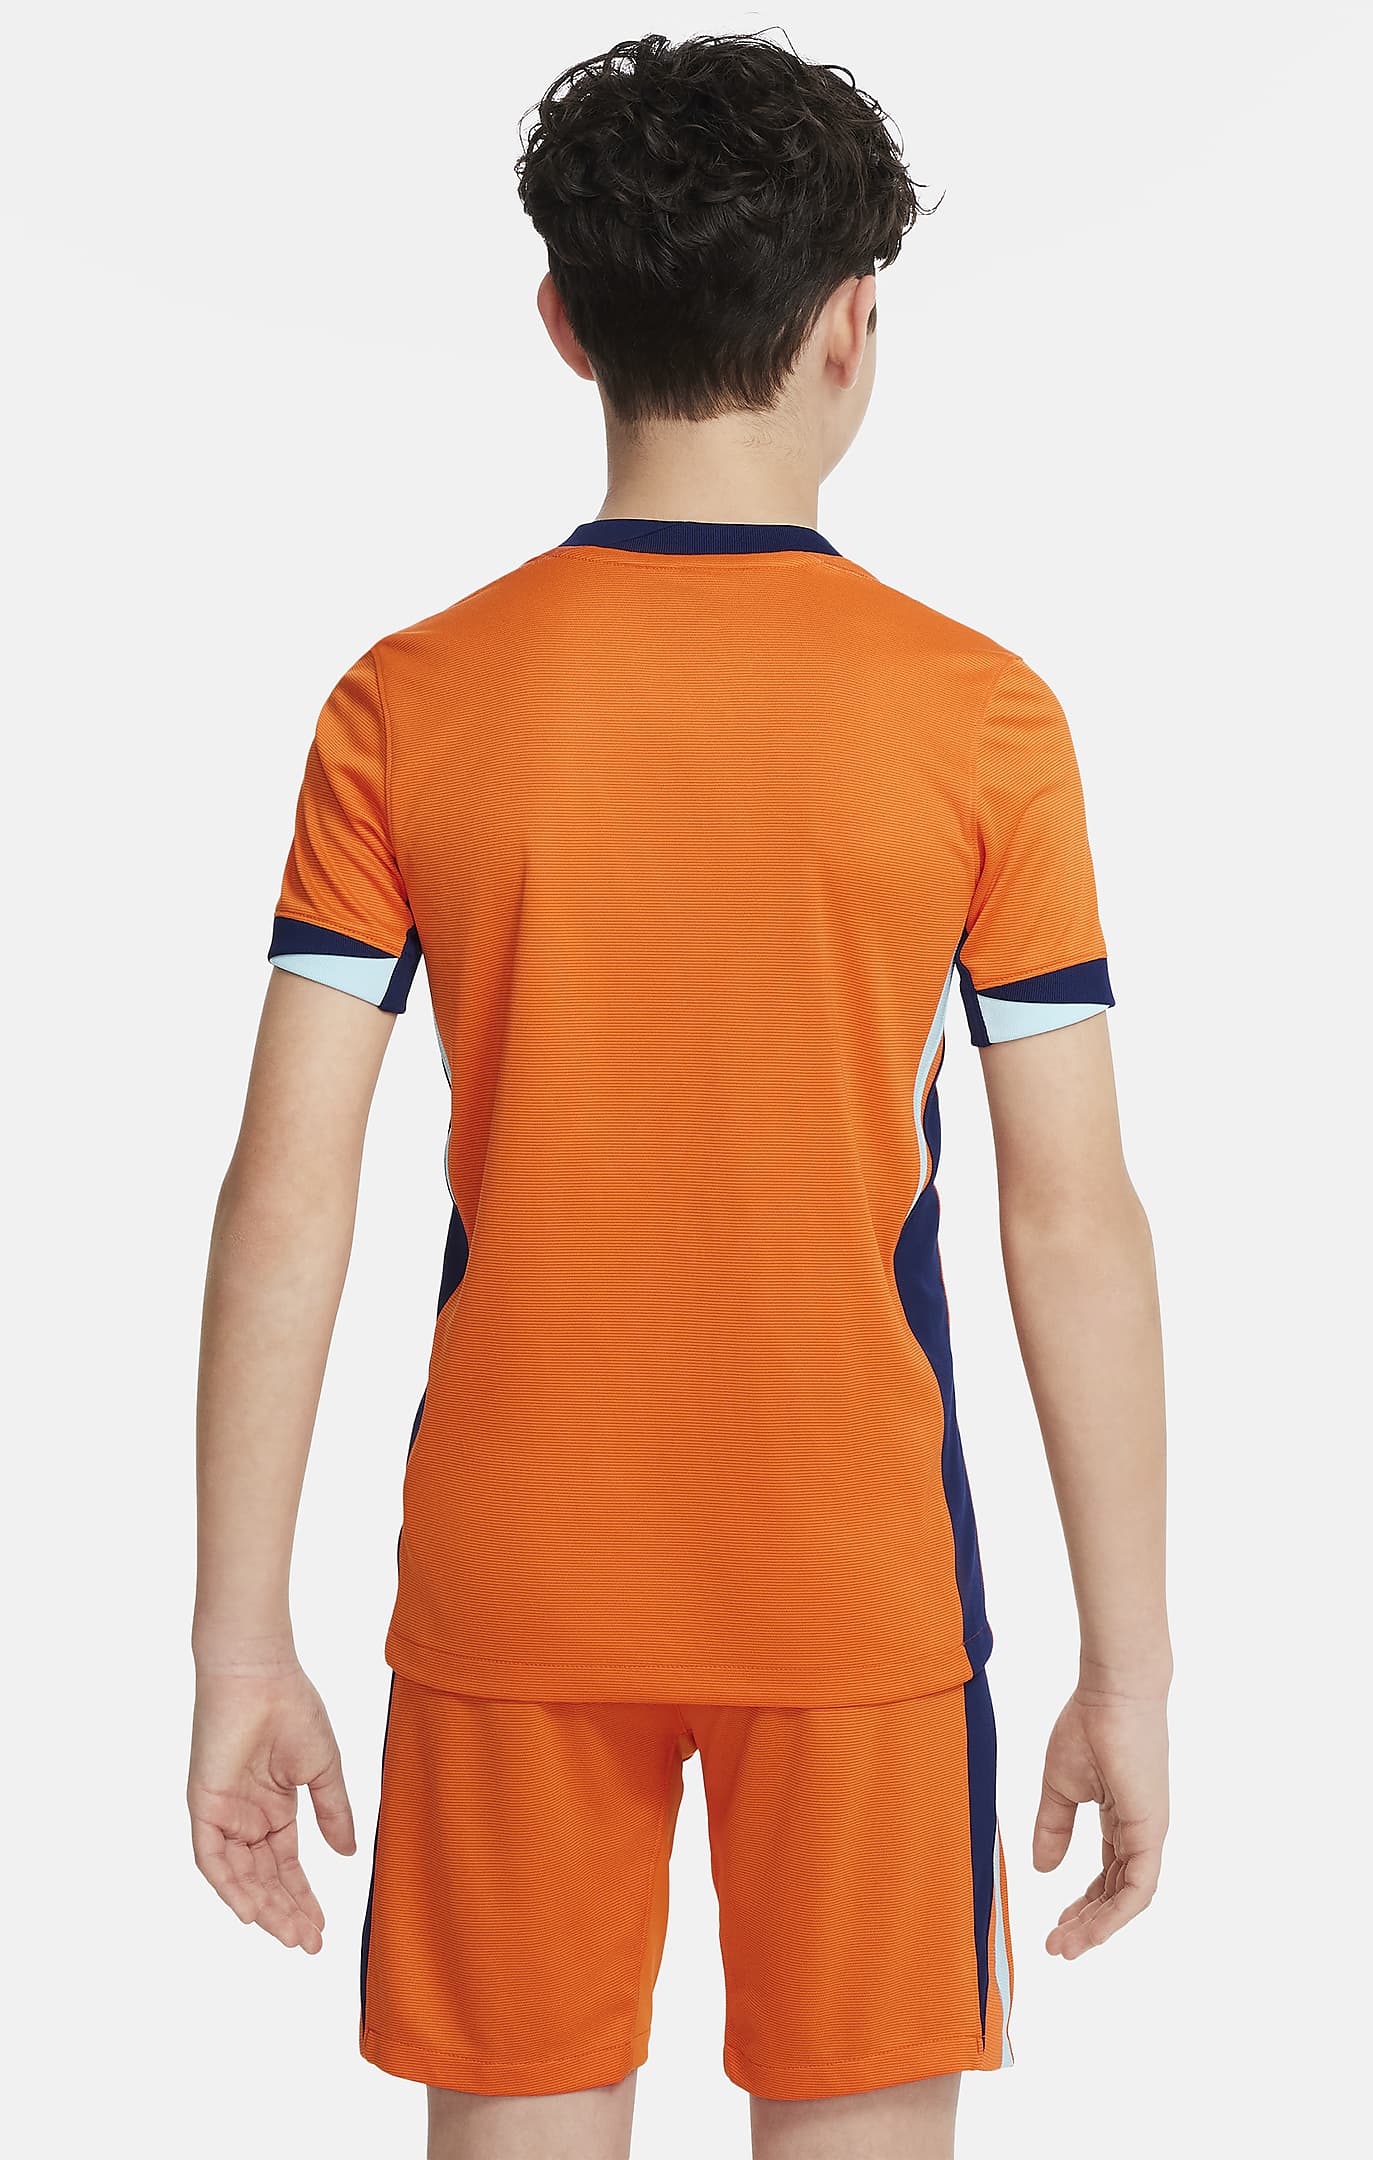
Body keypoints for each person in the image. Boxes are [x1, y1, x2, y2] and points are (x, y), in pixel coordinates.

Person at [188, 31, 1169, 2160]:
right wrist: (1131, 1667)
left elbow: (289, 1193)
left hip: (513, 1575)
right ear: (852, 327)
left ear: (564, 322)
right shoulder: (984, 722)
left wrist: (238, 1641)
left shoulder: (405, 704)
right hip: (855, 1584)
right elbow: (1069, 1218)